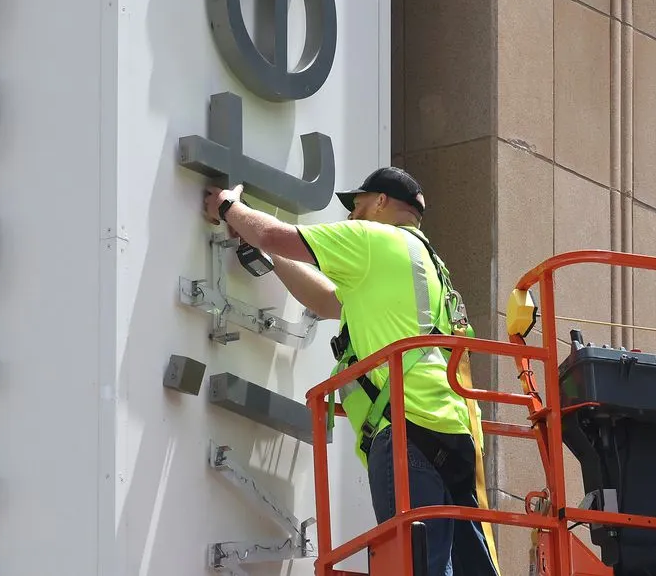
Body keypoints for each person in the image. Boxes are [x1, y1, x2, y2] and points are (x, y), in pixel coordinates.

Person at [202, 166, 499, 576]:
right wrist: (267, 256)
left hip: (405, 429)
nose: (351, 218)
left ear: (380, 202)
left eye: (356, 207)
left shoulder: (373, 239)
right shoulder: (428, 267)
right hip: (451, 433)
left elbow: (276, 235)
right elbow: (327, 301)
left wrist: (230, 208)